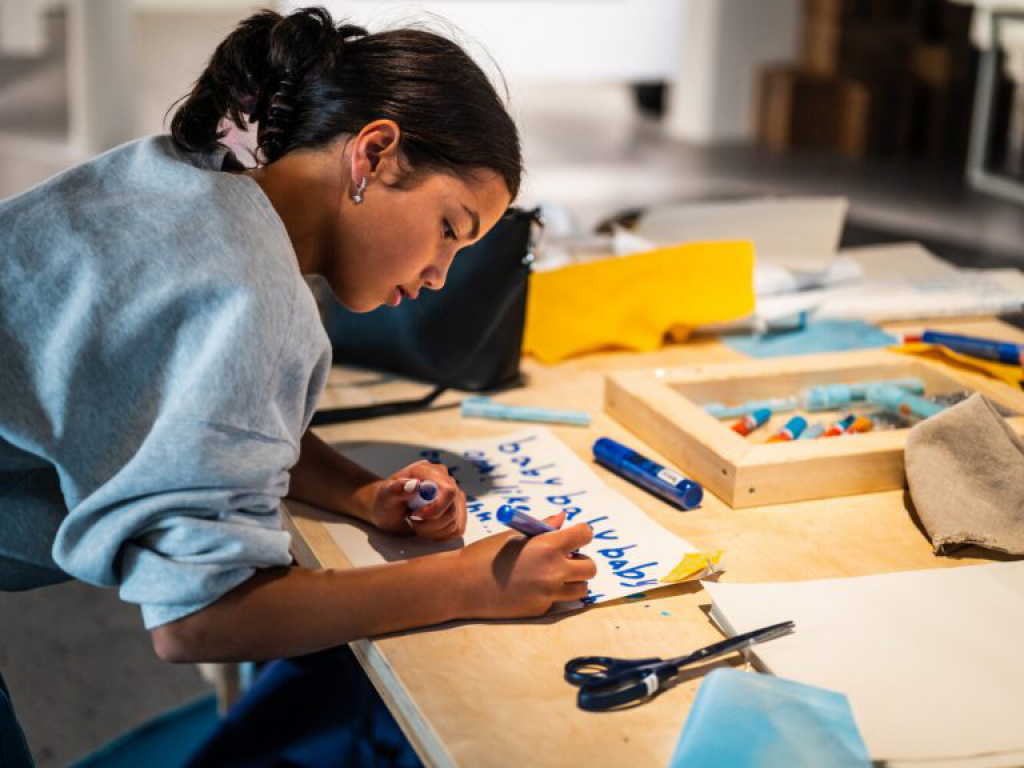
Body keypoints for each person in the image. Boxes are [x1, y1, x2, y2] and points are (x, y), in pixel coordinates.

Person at [0, 6, 595, 761]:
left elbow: (194, 413)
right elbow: (202, 621)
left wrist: (360, 494)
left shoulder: (186, 173)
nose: (441, 277)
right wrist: (470, 583)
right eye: (451, 227)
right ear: (374, 154)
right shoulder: (257, 301)